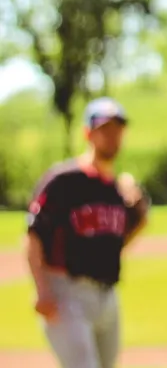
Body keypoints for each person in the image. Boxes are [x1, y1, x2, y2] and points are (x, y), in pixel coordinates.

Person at [25, 97, 150, 368]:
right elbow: (34, 235)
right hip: (66, 293)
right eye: (104, 130)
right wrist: (42, 290)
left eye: (117, 130)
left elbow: (115, 243)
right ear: (88, 133)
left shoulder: (118, 190)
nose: (112, 137)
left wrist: (139, 216)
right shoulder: (64, 180)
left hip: (107, 296)